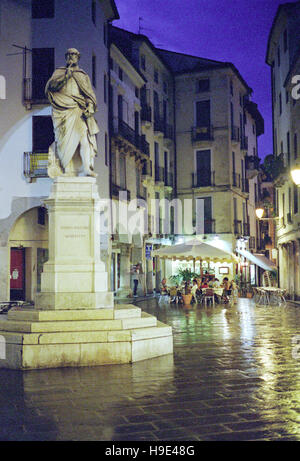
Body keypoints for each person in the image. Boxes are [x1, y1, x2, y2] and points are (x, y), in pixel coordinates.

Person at [45, 48, 99, 177]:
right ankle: (66, 169)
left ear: (78, 57)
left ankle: (86, 168)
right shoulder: (59, 72)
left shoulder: (82, 75)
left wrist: (90, 106)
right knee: (63, 141)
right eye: (69, 54)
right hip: (62, 111)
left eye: (74, 54)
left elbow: (89, 95)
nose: (71, 56)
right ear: (66, 56)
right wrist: (66, 76)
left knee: (85, 140)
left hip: (78, 110)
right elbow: (51, 87)